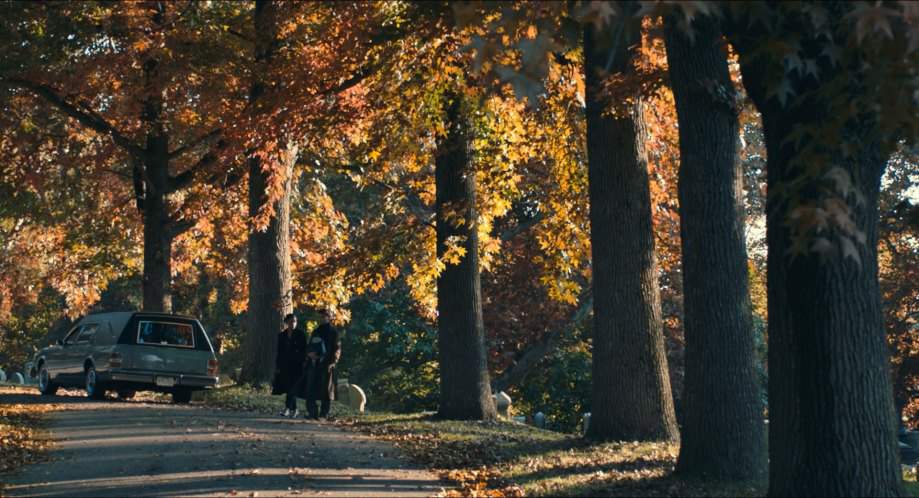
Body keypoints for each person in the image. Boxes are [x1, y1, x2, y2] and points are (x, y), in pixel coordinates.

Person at [303, 309, 340, 419]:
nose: (321, 318)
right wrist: (310, 354)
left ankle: (324, 413)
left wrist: (333, 362)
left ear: (328, 317)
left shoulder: (333, 332)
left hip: (326, 364)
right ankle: (312, 412)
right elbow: (310, 345)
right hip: (314, 363)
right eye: (320, 316)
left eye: (324, 316)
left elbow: (337, 348)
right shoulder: (316, 331)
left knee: (326, 391)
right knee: (310, 388)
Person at [273, 313, 306, 417]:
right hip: (285, 365)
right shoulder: (282, 336)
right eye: (291, 321)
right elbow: (279, 351)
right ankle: (294, 409)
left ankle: (288, 408)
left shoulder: (301, 335)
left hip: (297, 365)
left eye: (295, 321)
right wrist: (278, 366)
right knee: (288, 388)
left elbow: (304, 350)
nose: (293, 324)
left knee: (293, 387)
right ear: (287, 322)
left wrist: (303, 361)